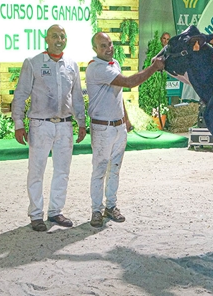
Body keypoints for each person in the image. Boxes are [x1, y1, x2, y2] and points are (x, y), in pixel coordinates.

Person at [11, 24, 86, 232]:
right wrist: (19, 123)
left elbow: (77, 96)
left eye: (63, 36)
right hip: (40, 125)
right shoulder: (33, 63)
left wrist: (81, 122)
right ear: (46, 39)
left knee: (62, 171)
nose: (59, 39)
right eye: (55, 36)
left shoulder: (72, 65)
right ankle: (36, 214)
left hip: (64, 126)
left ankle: (55, 211)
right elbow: (20, 94)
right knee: (36, 171)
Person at [86, 32, 165, 227]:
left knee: (115, 169)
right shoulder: (97, 68)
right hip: (103, 128)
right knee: (100, 170)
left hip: (118, 126)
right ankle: (96, 210)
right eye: (103, 46)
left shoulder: (113, 64)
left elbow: (118, 92)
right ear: (95, 49)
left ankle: (110, 206)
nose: (108, 48)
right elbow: (129, 83)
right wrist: (154, 67)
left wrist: (126, 119)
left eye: (110, 44)